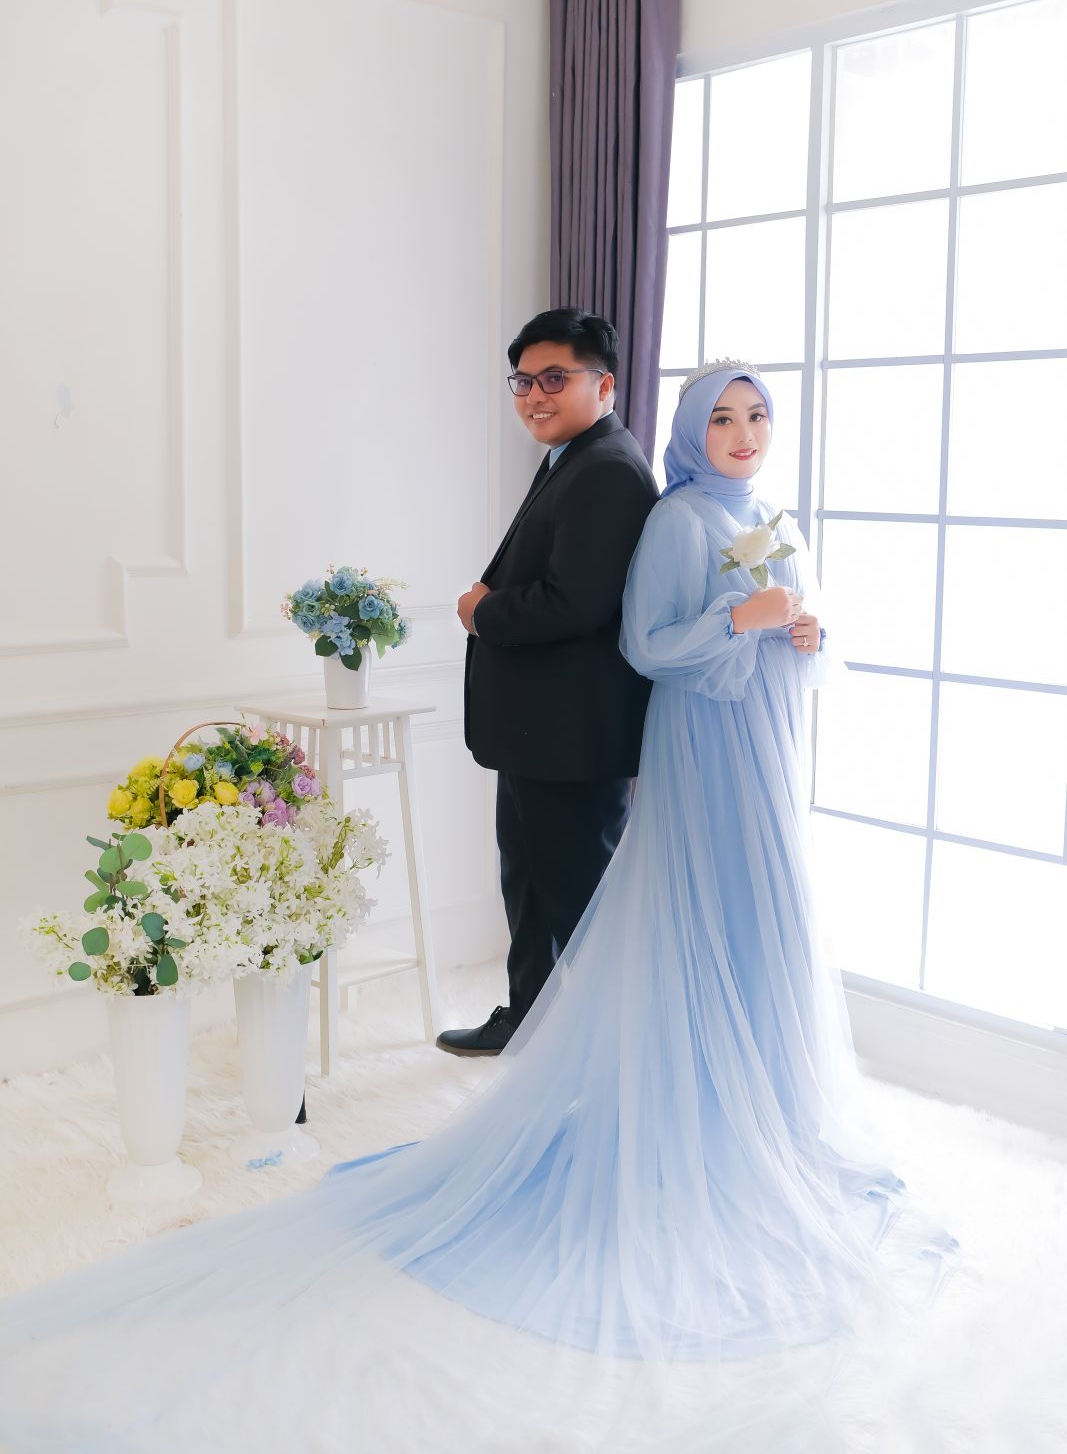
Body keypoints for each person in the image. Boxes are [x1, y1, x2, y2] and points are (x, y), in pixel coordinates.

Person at [0, 363, 957, 1454]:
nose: (743, 433)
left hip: (768, 751)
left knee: (770, 928)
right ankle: (690, 1118)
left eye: (758, 415)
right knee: (700, 915)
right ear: (694, 431)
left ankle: (768, 1119)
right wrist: (744, 615)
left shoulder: (773, 518)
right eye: (724, 417)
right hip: (705, 754)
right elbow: (650, 647)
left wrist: (800, 634)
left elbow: (795, 645)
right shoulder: (679, 519)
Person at [439, 307, 658, 1055]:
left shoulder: (608, 470)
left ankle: (598, 1056)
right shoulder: (576, 455)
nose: (535, 395)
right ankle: (527, 1023)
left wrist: (482, 612)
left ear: (605, 384)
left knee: (579, 902)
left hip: (573, 737)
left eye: (554, 378)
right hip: (540, 731)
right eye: (524, 381)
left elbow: (578, 602)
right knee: (529, 882)